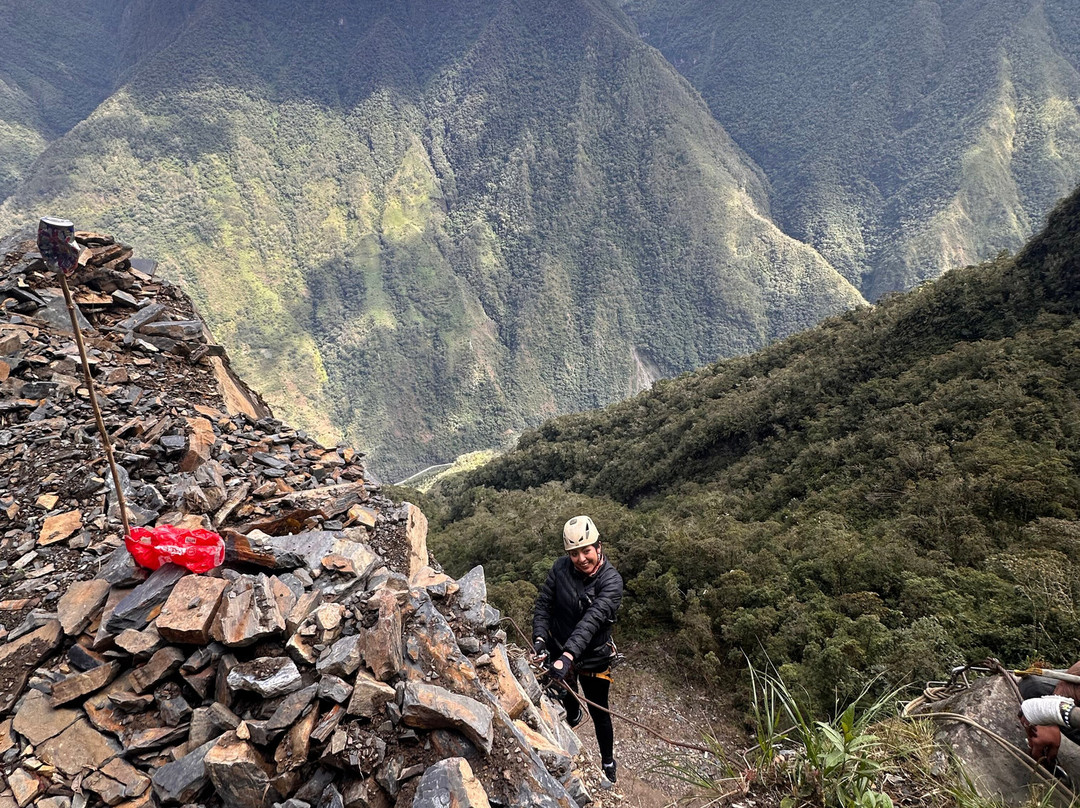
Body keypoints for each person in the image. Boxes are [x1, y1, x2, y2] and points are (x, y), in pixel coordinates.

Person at [532, 515, 624, 785]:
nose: (581, 558)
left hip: (593, 657)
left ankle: (608, 762)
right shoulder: (560, 568)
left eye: (586, 551)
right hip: (560, 648)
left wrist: (567, 655)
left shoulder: (611, 582)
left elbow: (592, 621)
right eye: (574, 553)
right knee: (565, 690)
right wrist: (539, 638)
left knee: (600, 712)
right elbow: (544, 604)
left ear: (598, 547)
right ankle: (572, 715)